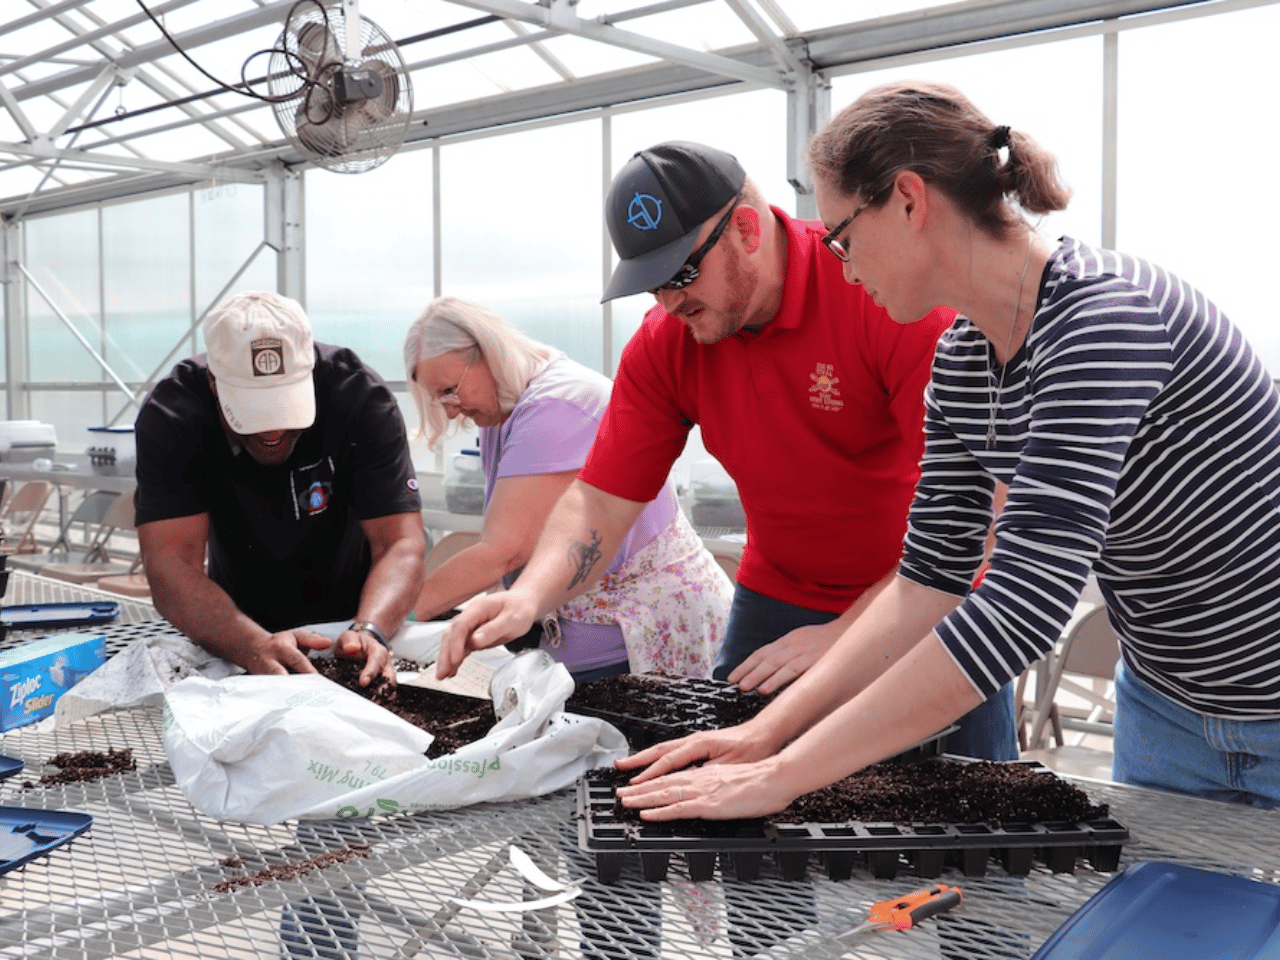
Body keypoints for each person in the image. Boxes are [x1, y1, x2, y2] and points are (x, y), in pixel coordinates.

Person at [614, 80, 1280, 823]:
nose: (840, 263)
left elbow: (1025, 601)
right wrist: (761, 736)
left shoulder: (1104, 320)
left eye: (841, 235)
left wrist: (787, 774)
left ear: (908, 201)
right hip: (1167, 704)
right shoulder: (963, 361)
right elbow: (929, 577)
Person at [437, 139, 1018, 763]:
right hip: (779, 593)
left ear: (745, 228)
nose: (667, 303)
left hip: (928, 589)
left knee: (964, 807)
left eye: (681, 275)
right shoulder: (669, 341)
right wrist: (529, 597)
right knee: (733, 795)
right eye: (651, 285)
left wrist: (847, 636)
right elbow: (600, 501)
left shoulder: (880, 297)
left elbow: (982, 510)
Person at [404, 296, 732, 682]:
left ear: (487, 354)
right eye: (439, 398)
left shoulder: (558, 407)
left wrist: (392, 618)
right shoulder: (505, 408)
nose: (450, 409)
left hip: (639, 628)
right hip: (592, 627)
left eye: (450, 390)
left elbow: (503, 551)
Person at [134, 290, 426, 688]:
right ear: (215, 383)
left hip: (352, 616)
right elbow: (170, 564)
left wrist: (371, 628)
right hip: (234, 625)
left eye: (285, 409)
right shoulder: (174, 414)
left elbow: (400, 543)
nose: (273, 431)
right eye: (253, 413)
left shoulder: (357, 396)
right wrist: (251, 645)